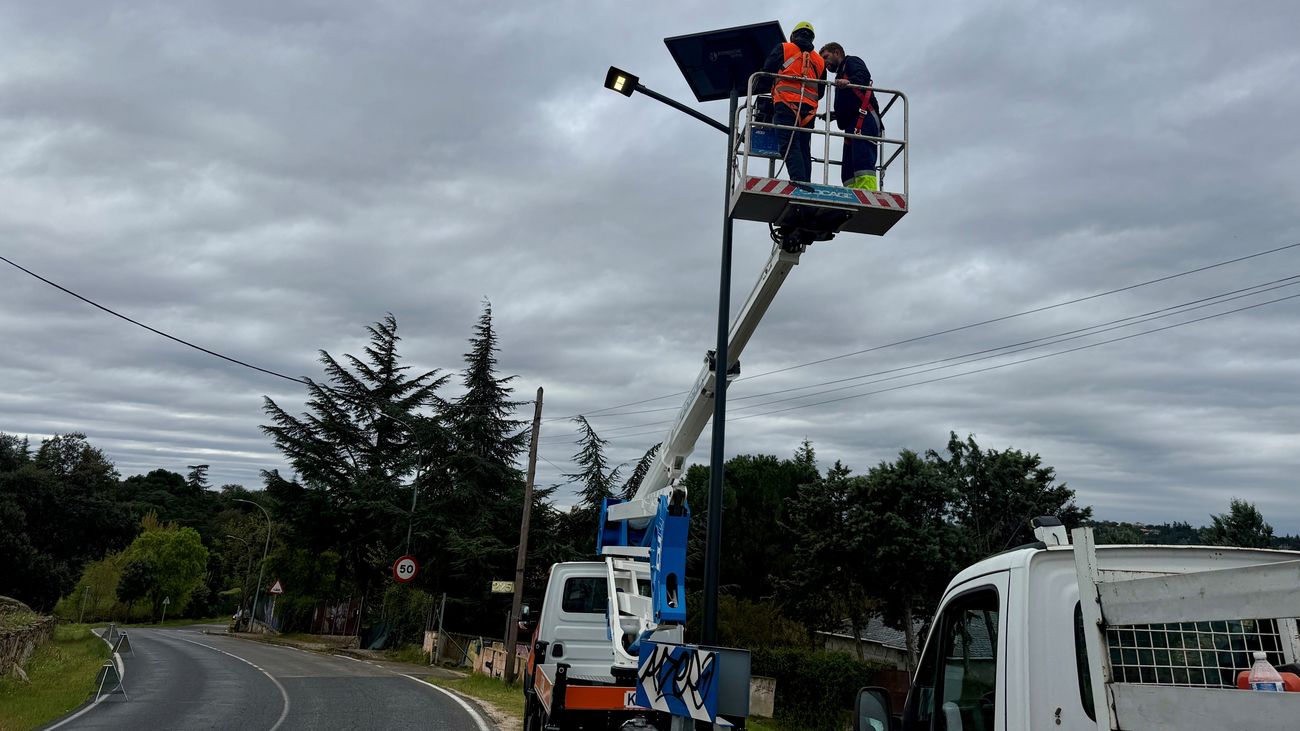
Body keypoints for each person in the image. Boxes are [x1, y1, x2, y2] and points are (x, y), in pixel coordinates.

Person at [755, 21, 825, 183]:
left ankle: (799, 182)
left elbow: (767, 71)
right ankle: (806, 182)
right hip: (809, 111)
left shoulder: (784, 48)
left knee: (789, 144)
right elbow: (820, 92)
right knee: (803, 147)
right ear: (812, 38)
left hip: (785, 104)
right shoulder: (819, 61)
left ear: (793, 35)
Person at [819, 42, 882, 190]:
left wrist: (849, 82)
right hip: (851, 122)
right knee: (848, 166)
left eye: (826, 57)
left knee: (862, 160)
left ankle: (867, 193)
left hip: (864, 119)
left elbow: (864, 76)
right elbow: (850, 102)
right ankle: (852, 191)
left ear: (837, 52)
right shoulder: (841, 74)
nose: (824, 62)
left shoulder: (851, 62)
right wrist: (835, 115)